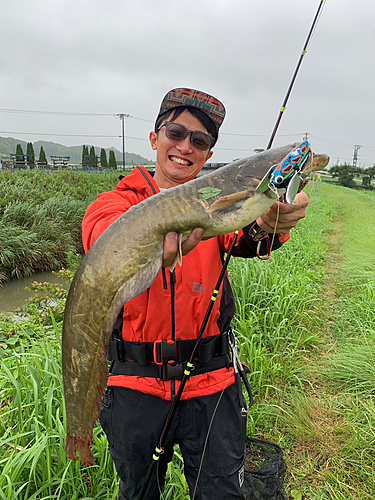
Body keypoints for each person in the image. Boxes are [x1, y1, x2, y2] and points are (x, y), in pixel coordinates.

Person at [82, 88, 309, 500]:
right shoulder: (116, 202)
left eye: (200, 141)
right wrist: (143, 242)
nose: (185, 146)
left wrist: (273, 221)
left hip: (211, 382)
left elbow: (252, 239)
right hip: (134, 385)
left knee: (221, 491)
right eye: (176, 132)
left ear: (207, 155)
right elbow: (103, 236)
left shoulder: (217, 204)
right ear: (155, 138)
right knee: (138, 492)